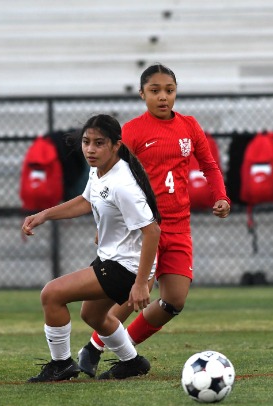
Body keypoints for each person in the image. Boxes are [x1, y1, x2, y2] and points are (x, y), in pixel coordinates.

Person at [77, 63, 231, 379]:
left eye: (169, 91)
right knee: (136, 292)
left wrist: (221, 196)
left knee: (173, 301)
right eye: (155, 91)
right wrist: (103, 224)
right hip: (143, 227)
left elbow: (209, 165)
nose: (163, 97)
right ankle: (102, 350)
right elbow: (107, 180)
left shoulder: (189, 126)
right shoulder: (132, 132)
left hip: (179, 226)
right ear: (142, 94)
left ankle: (116, 348)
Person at [23, 114, 161, 382]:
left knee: (52, 294)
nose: (90, 149)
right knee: (93, 315)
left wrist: (141, 283)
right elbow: (86, 201)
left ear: (116, 145)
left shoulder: (123, 184)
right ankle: (132, 362)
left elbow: (152, 230)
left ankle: (61, 364)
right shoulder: (99, 171)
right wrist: (44, 215)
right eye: (86, 142)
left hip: (126, 267)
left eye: (99, 143)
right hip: (112, 260)